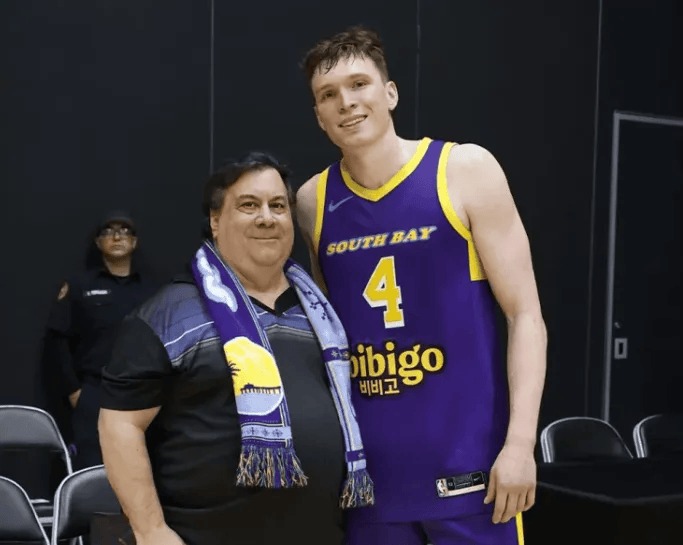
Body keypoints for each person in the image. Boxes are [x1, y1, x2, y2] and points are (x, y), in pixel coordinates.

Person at [296, 27, 547, 544]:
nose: (346, 102)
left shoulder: (464, 169)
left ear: (390, 93)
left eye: (359, 84)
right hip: (370, 480)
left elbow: (525, 314)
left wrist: (521, 444)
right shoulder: (311, 201)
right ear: (319, 116)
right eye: (328, 94)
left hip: (473, 470)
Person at [98, 152, 373, 545]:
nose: (267, 217)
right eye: (248, 205)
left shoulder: (324, 312)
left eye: (278, 205)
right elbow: (120, 425)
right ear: (215, 220)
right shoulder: (169, 314)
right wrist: (151, 530)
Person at [43, 210, 158, 470]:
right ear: (98, 242)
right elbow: (57, 342)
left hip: (143, 394)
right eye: (109, 231)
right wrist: (75, 392)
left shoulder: (153, 290)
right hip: (95, 393)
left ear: (134, 242)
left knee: (142, 474)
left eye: (124, 231)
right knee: (93, 474)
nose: (117, 237)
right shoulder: (79, 286)